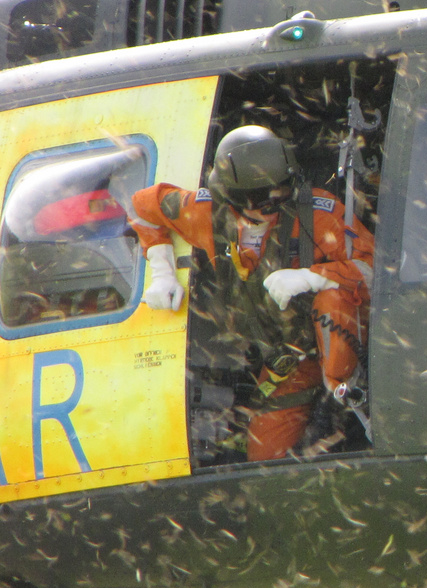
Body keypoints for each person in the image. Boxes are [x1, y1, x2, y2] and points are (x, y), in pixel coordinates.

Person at [129, 125, 374, 461]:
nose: (274, 204)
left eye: (283, 192)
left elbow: (374, 271)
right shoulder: (205, 212)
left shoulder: (318, 213)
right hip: (289, 360)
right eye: (262, 199)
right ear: (232, 197)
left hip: (337, 346)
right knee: (263, 456)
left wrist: (315, 277)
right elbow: (141, 207)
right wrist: (161, 270)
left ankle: (342, 403)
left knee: (334, 299)